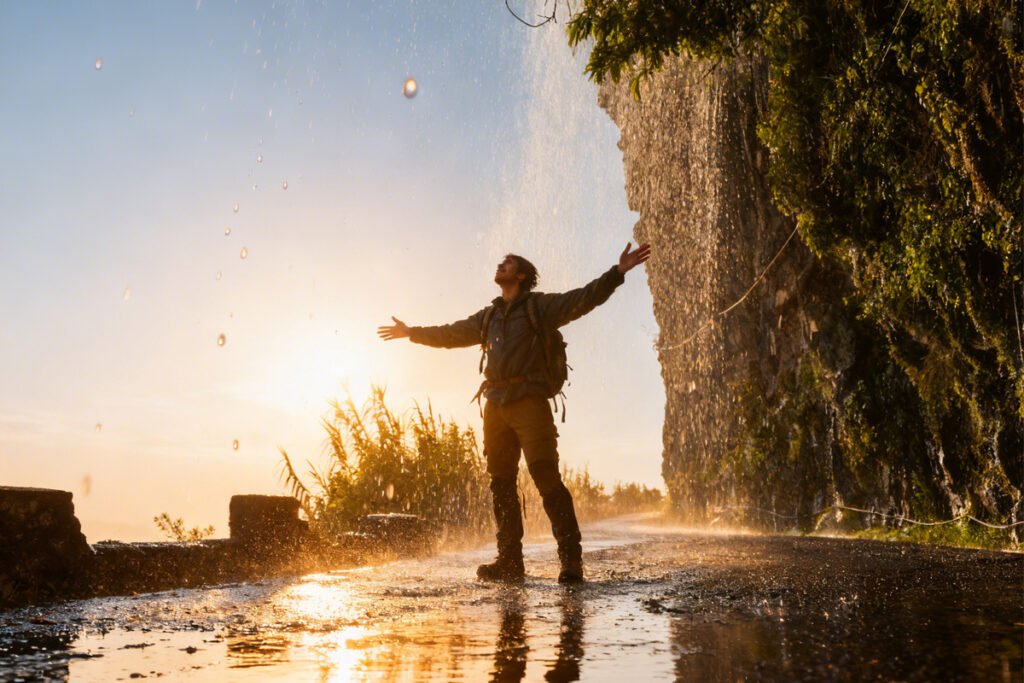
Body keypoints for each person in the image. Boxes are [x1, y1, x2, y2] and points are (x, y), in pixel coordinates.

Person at [377, 242, 651, 582]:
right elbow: (449, 334)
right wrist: (411, 333)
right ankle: (509, 561)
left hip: (529, 401)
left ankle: (570, 561)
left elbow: (584, 298)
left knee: (546, 477)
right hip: (495, 405)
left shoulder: (540, 306)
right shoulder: (488, 316)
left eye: (507, 264)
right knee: (501, 485)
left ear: (520, 274)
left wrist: (617, 272)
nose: (500, 266)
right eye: (501, 263)